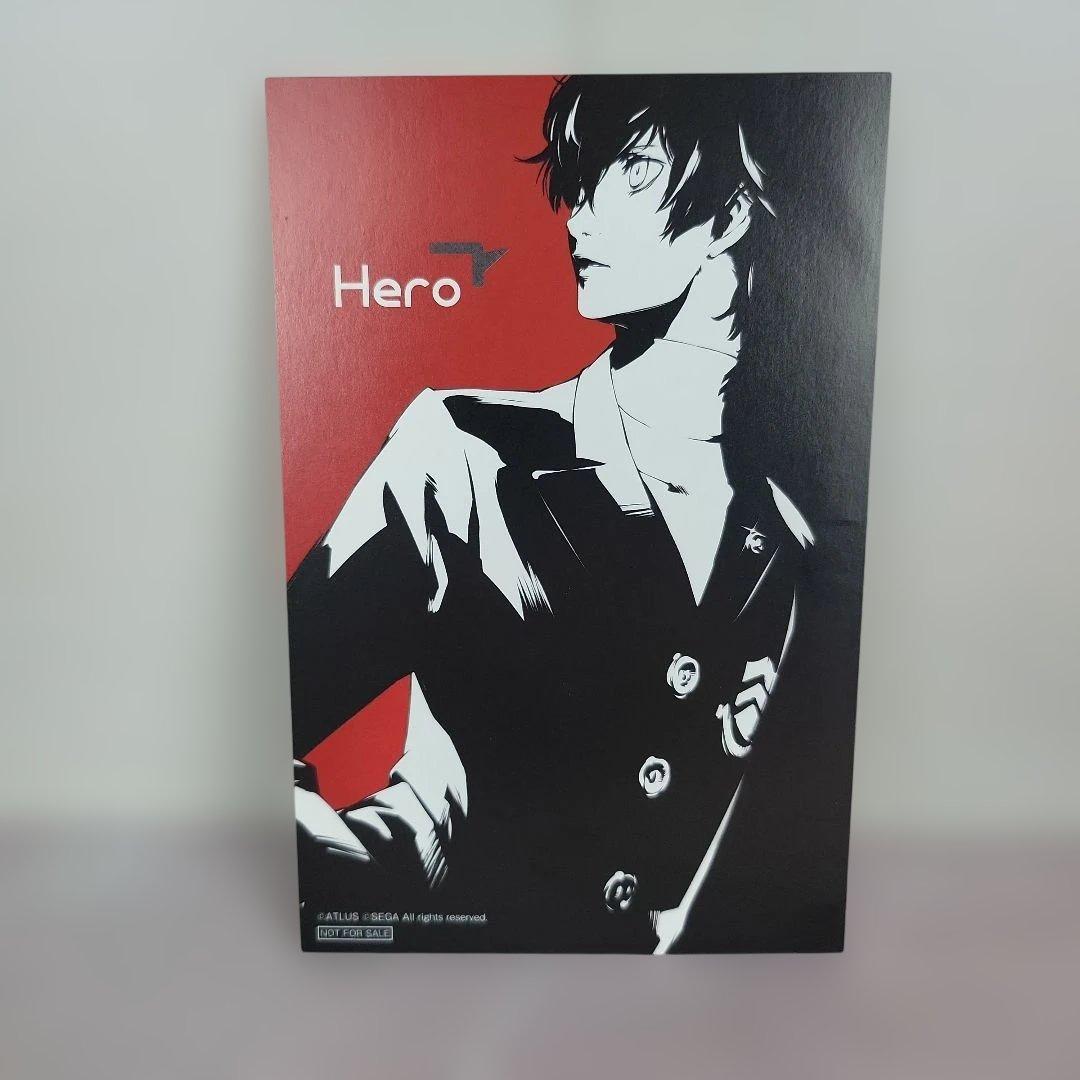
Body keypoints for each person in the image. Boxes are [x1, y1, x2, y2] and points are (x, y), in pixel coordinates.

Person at [290, 74, 813, 953]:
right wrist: (364, 889)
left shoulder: (789, 542)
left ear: (730, 214)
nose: (578, 218)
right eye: (581, 181)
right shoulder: (466, 453)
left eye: (634, 170)